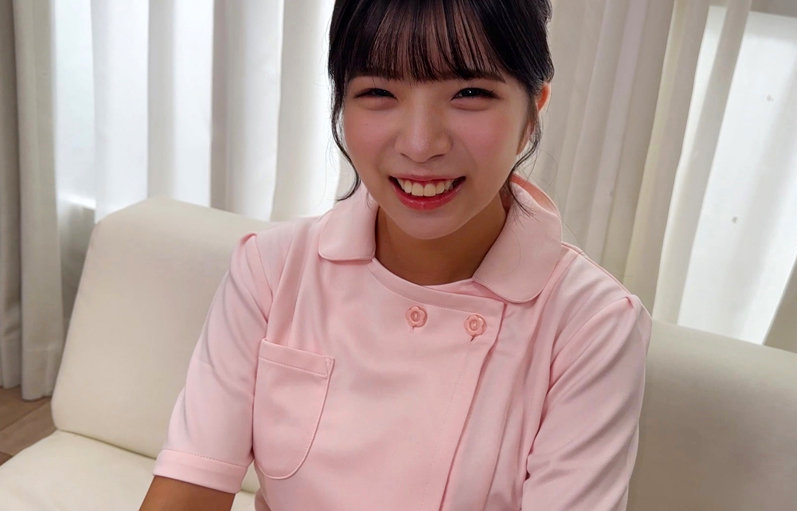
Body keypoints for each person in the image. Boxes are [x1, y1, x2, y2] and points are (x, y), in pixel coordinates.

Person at [140, 0, 651, 510]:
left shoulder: (591, 324)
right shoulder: (271, 270)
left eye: (470, 93)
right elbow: (188, 489)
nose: (420, 144)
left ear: (532, 113)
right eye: (379, 92)